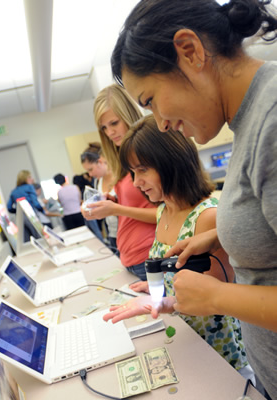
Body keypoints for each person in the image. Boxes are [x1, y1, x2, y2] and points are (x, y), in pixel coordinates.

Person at [109, 1, 277, 398]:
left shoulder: (271, 120)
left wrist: (218, 296)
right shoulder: (250, 121)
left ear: (190, 51)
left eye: (150, 101)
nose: (161, 123)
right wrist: (220, 233)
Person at [103, 114, 254, 381]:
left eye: (142, 170)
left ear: (171, 163)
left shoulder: (206, 217)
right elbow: (179, 274)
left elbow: (213, 300)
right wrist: (157, 287)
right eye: (132, 173)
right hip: (186, 340)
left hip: (220, 354)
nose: (136, 183)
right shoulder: (163, 211)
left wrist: (161, 302)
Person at [82, 83, 157, 280]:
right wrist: (114, 203)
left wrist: (116, 209)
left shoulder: (149, 151)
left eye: (114, 123)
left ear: (128, 115)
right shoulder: (123, 157)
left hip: (150, 256)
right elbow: (141, 202)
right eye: (104, 128)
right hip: (131, 259)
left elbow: (168, 213)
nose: (110, 133)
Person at [81, 142, 118, 253]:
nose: (90, 174)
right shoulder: (98, 181)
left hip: (129, 232)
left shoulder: (119, 176)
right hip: (112, 233)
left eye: (90, 169)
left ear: (100, 162)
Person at [7, 170, 44, 241]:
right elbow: (35, 203)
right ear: (25, 178)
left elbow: (9, 208)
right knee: (39, 237)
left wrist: (18, 211)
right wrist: (43, 210)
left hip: (20, 218)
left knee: (27, 240)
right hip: (31, 215)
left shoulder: (14, 191)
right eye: (30, 177)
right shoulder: (30, 187)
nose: (32, 179)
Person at [72, 173, 104, 243]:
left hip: (91, 211)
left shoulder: (86, 189)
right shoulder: (87, 187)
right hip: (92, 210)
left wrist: (82, 202)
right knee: (96, 229)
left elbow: (89, 201)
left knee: (95, 229)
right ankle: (100, 242)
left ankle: (101, 243)